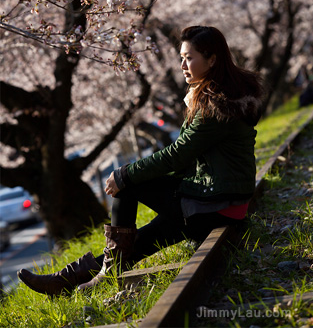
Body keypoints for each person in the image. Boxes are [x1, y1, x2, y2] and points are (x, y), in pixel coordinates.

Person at [17, 25, 265, 296]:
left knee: (128, 184)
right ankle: (64, 282)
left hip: (217, 205)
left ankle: (97, 274)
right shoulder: (225, 94)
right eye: (181, 57)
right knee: (140, 241)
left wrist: (126, 175)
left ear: (213, 59)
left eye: (189, 57)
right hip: (221, 200)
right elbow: (189, 157)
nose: (183, 64)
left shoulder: (216, 105)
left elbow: (178, 154)